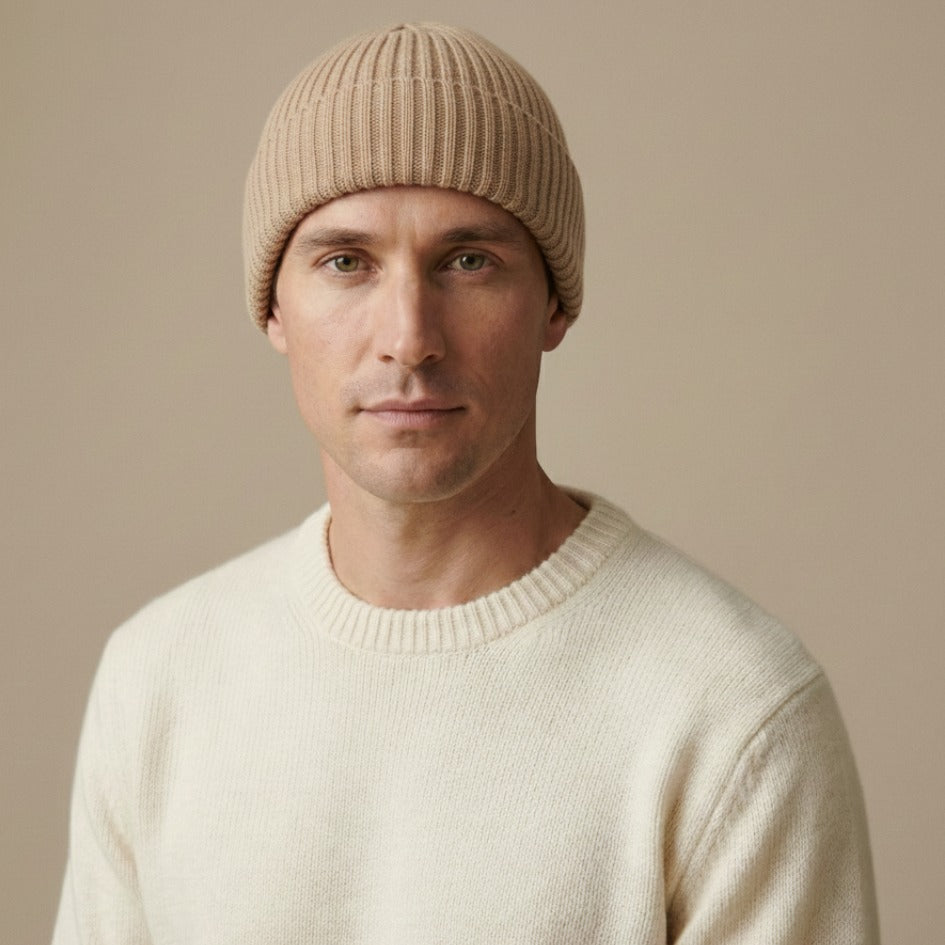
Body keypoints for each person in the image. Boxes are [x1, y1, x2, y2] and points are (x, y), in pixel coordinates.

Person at [53, 22, 879, 944]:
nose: (409, 337)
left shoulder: (732, 710)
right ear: (273, 309)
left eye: (468, 261)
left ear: (554, 304)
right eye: (345, 262)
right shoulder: (159, 677)